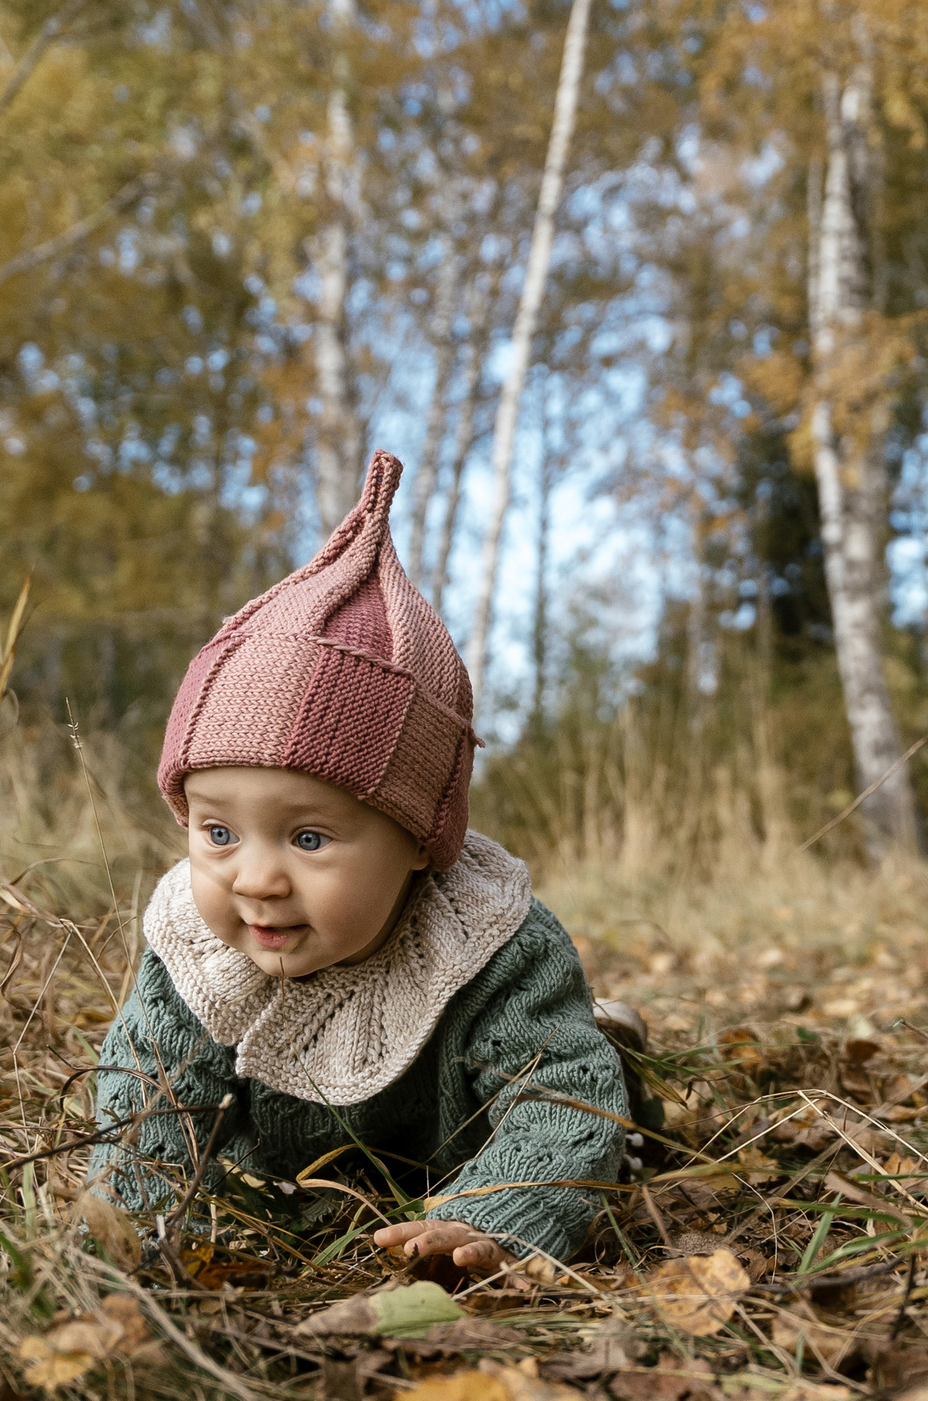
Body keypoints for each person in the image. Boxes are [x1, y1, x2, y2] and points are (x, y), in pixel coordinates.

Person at [85, 450, 627, 1275]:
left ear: (418, 840)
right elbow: (150, 1096)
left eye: (308, 839)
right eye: (217, 833)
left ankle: (608, 1031)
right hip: (286, 1179)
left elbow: (561, 1104)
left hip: (457, 1159)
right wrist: (132, 1229)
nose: (255, 880)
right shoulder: (194, 948)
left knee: (586, 1069)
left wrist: (502, 1214)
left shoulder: (492, 944)